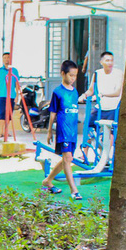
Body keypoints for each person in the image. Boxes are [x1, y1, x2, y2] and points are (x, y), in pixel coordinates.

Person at [42, 60, 82, 200]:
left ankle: (47, 181)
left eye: (75, 76)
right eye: (71, 75)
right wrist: (49, 131)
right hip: (62, 131)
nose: (73, 78)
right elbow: (53, 113)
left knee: (68, 159)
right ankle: (74, 190)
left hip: (72, 131)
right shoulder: (57, 92)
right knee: (67, 158)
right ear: (63, 74)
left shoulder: (75, 92)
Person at [0, 52, 21, 140]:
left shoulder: (14, 71)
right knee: (1, 113)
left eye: (8, 58)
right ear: (2, 59)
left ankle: (6, 131)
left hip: (11, 95)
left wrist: (17, 95)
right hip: (2, 95)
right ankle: (1, 132)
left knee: (9, 114)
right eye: (5, 58)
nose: (6, 59)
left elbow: (17, 84)